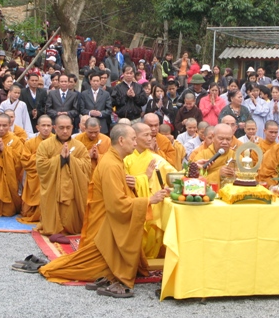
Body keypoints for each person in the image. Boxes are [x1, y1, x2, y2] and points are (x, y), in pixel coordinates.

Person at [39, 124, 169, 297]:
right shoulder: (111, 165)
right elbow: (117, 204)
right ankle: (51, 268)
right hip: (106, 228)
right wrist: (148, 200)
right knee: (85, 267)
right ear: (121, 140)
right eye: (133, 139)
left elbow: (122, 193)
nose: (136, 142)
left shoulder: (115, 160)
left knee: (95, 265)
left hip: (107, 222)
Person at [124, 122, 177, 259]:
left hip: (155, 204)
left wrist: (171, 187)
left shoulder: (157, 159)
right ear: (134, 137)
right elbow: (123, 183)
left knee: (153, 234)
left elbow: (174, 177)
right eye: (146, 135)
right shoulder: (126, 159)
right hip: (136, 205)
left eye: (151, 135)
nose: (150, 138)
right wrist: (143, 178)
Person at [35, 115, 92, 235]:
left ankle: (71, 227)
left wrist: (71, 159)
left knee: (71, 217)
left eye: (68, 127)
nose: (65, 131)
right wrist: (60, 159)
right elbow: (41, 166)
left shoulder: (79, 146)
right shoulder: (45, 145)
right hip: (53, 188)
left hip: (72, 189)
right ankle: (53, 227)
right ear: (55, 128)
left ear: (73, 128)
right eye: (61, 127)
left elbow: (87, 166)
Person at [17, 115, 53, 225]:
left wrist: (41, 159)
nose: (46, 128)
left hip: (50, 179)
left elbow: (59, 160)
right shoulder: (30, 143)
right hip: (33, 179)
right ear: (37, 127)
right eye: (43, 125)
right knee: (27, 212)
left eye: (48, 125)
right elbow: (25, 161)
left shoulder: (57, 142)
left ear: (52, 127)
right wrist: (41, 158)